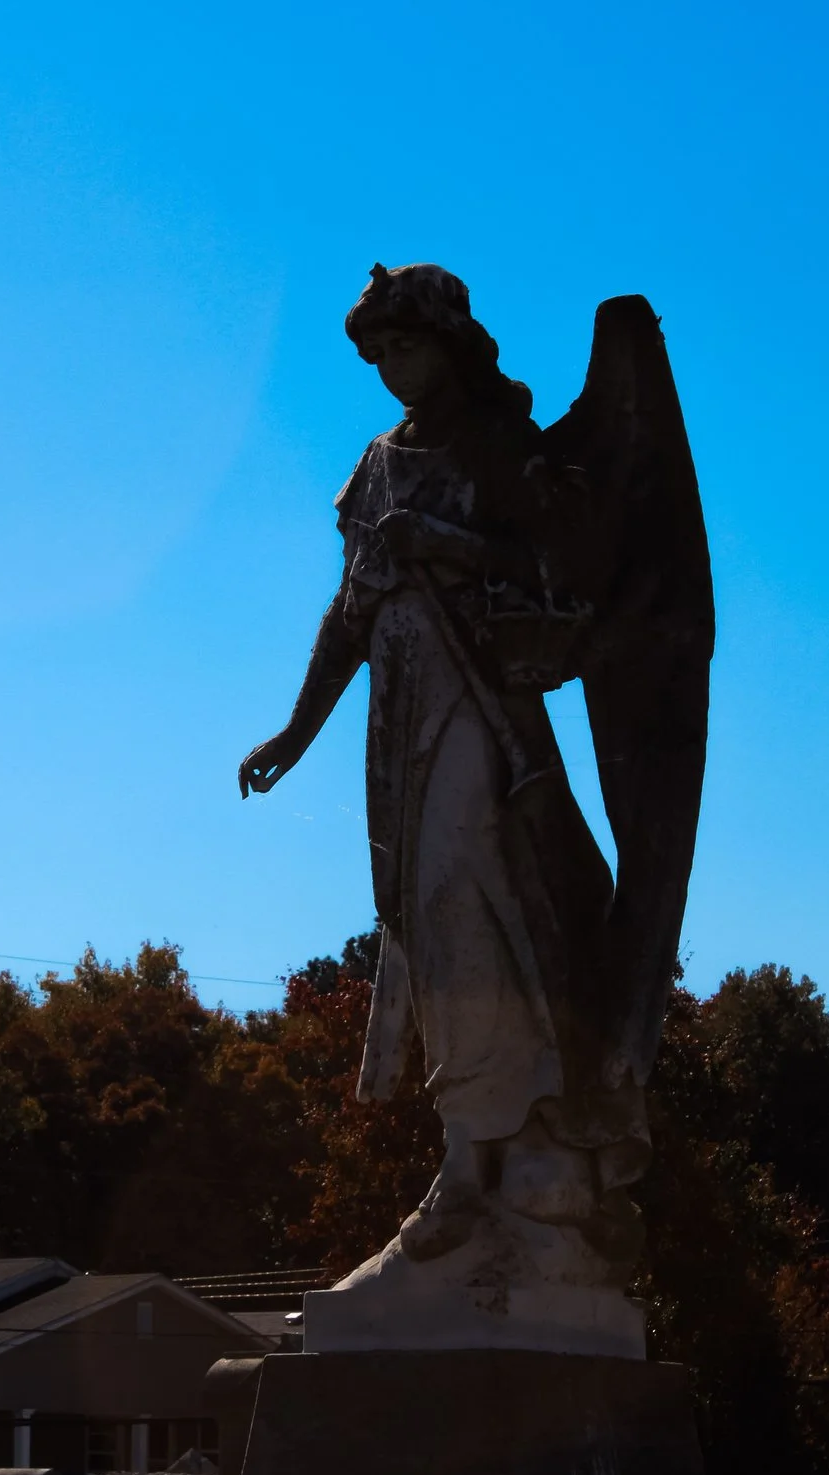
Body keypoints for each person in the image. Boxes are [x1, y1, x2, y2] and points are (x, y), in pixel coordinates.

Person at [239, 264, 647, 1298]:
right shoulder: (375, 467)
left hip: (484, 708)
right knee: (423, 913)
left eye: (402, 349)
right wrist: (296, 727)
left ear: (449, 341)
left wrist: (447, 545)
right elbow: (349, 611)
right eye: (375, 358)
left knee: (473, 894)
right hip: (402, 711)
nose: (389, 372)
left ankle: (499, 1148)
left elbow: (562, 573)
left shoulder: (499, 447)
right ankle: (477, 1141)